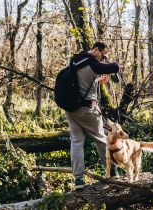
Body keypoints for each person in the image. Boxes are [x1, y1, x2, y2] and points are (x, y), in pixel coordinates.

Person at [65, 42, 119, 189]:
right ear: (96, 50)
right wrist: (108, 63)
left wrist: (97, 80)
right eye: (103, 54)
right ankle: (112, 172)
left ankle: (78, 181)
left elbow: (80, 82)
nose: (103, 58)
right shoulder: (92, 61)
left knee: (76, 141)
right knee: (101, 138)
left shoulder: (76, 60)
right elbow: (115, 67)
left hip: (71, 109)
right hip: (88, 109)